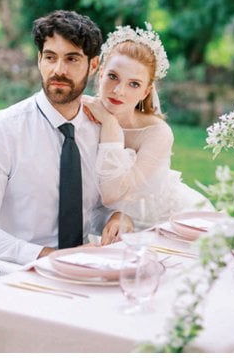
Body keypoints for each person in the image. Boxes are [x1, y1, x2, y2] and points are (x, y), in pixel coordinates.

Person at [0, 10, 129, 265]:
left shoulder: (98, 131)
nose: (59, 70)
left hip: (81, 272)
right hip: (15, 276)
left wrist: (116, 216)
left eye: (72, 59)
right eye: (50, 57)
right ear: (39, 60)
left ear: (93, 65)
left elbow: (90, 208)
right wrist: (51, 258)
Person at [82, 22, 212, 227]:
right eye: (113, 77)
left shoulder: (157, 134)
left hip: (163, 220)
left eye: (134, 84)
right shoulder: (82, 113)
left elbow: (111, 195)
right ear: (100, 75)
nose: (119, 91)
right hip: (103, 220)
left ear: (145, 92)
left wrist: (109, 125)